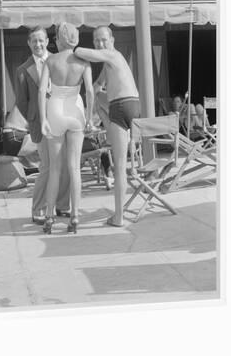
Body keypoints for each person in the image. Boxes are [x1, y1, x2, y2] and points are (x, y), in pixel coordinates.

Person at [74, 25, 140, 227]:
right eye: (96, 41)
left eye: (103, 39)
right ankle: (96, 121)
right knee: (100, 102)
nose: (100, 44)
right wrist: (91, 103)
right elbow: (96, 86)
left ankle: (118, 217)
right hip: (129, 106)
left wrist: (73, 49)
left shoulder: (113, 55)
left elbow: (85, 53)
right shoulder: (109, 64)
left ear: (112, 40)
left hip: (121, 106)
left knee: (120, 167)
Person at [39, 22, 94, 234]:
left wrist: (43, 118)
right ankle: (75, 216)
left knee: (55, 168)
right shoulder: (84, 61)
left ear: (59, 40)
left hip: (54, 111)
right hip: (76, 111)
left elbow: (42, 90)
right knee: (74, 168)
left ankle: (49, 217)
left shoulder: (51, 60)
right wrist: (89, 118)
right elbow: (89, 91)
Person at [15, 26, 71, 225]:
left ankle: (62, 206)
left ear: (48, 41)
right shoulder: (22, 70)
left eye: (41, 40)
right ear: (29, 43)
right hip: (40, 124)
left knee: (64, 164)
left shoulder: (61, 60)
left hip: (62, 120)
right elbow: (22, 102)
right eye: (34, 41)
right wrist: (34, 119)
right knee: (47, 167)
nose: (38, 44)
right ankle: (38, 208)